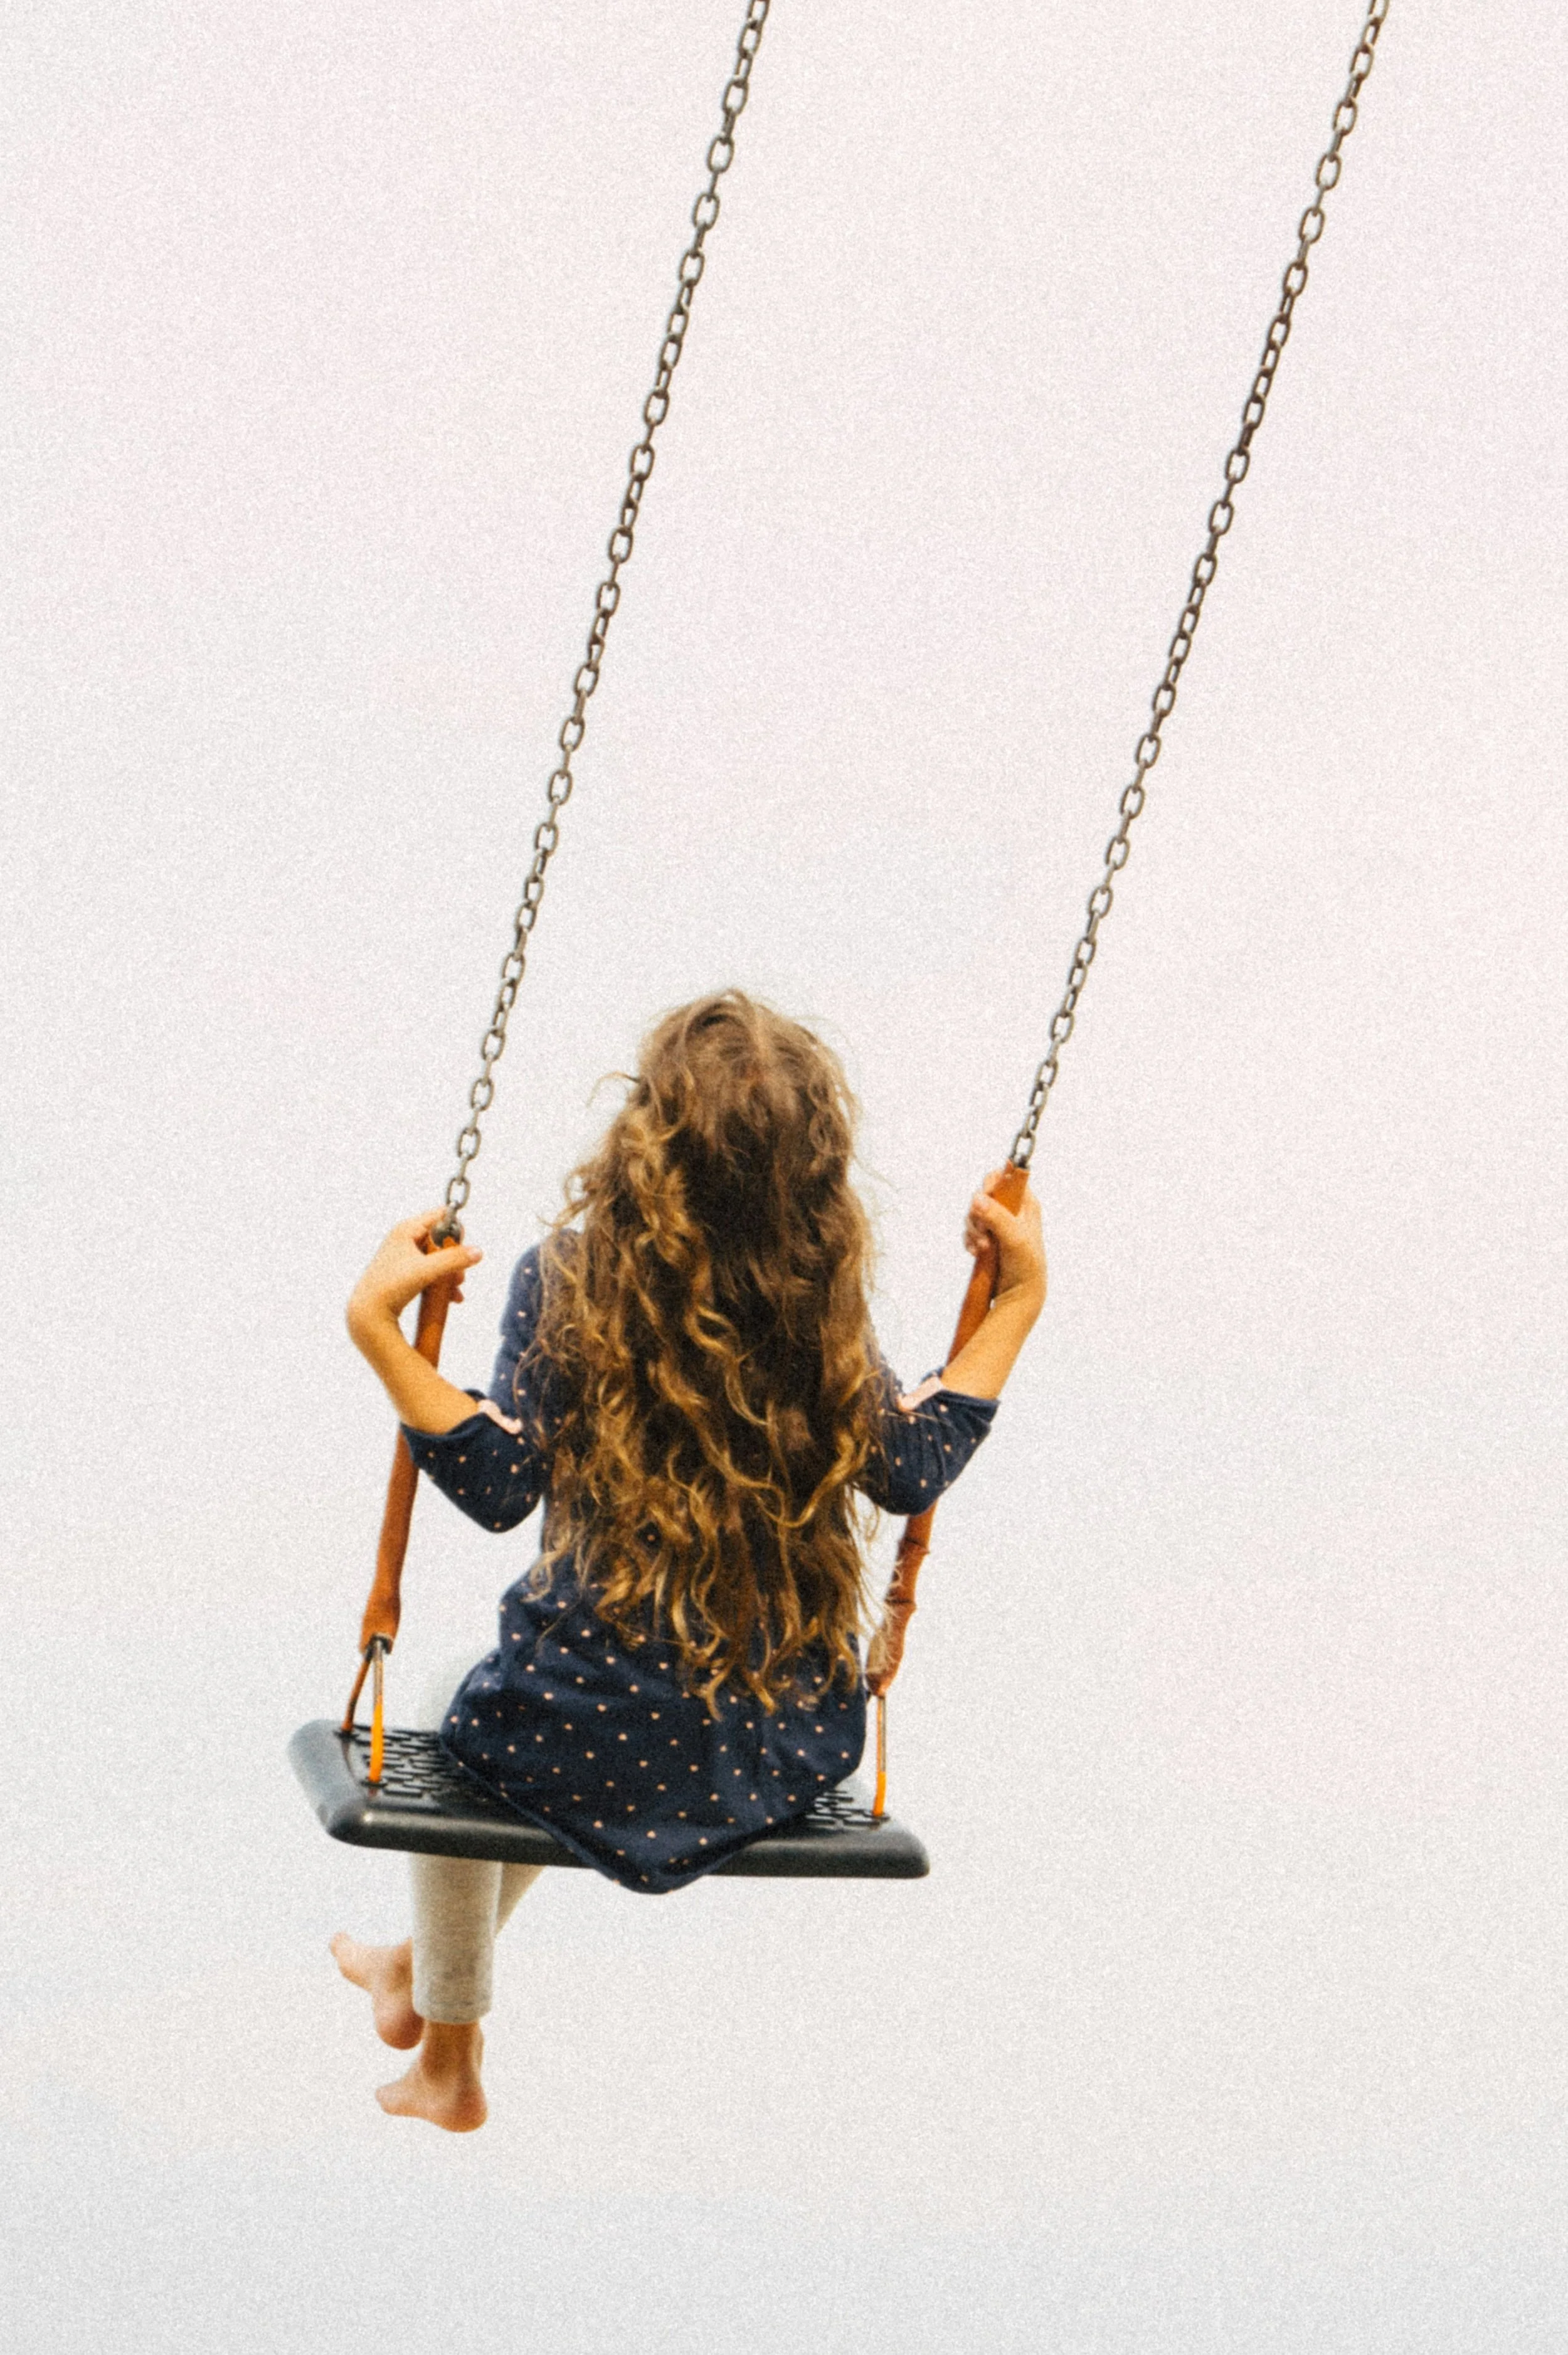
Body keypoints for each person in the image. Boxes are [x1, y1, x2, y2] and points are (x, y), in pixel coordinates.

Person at [331, 992, 1046, 2129]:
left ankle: (448, 2054)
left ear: (644, 1143)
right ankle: (417, 1974)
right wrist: (1021, 1300)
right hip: (782, 1746)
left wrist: (379, 1333)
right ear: (814, 1172)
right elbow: (911, 1466)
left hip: (575, 1734)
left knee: (469, 1726)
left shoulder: (572, 1278)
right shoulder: (819, 1305)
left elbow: (499, 1484)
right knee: (544, 1744)